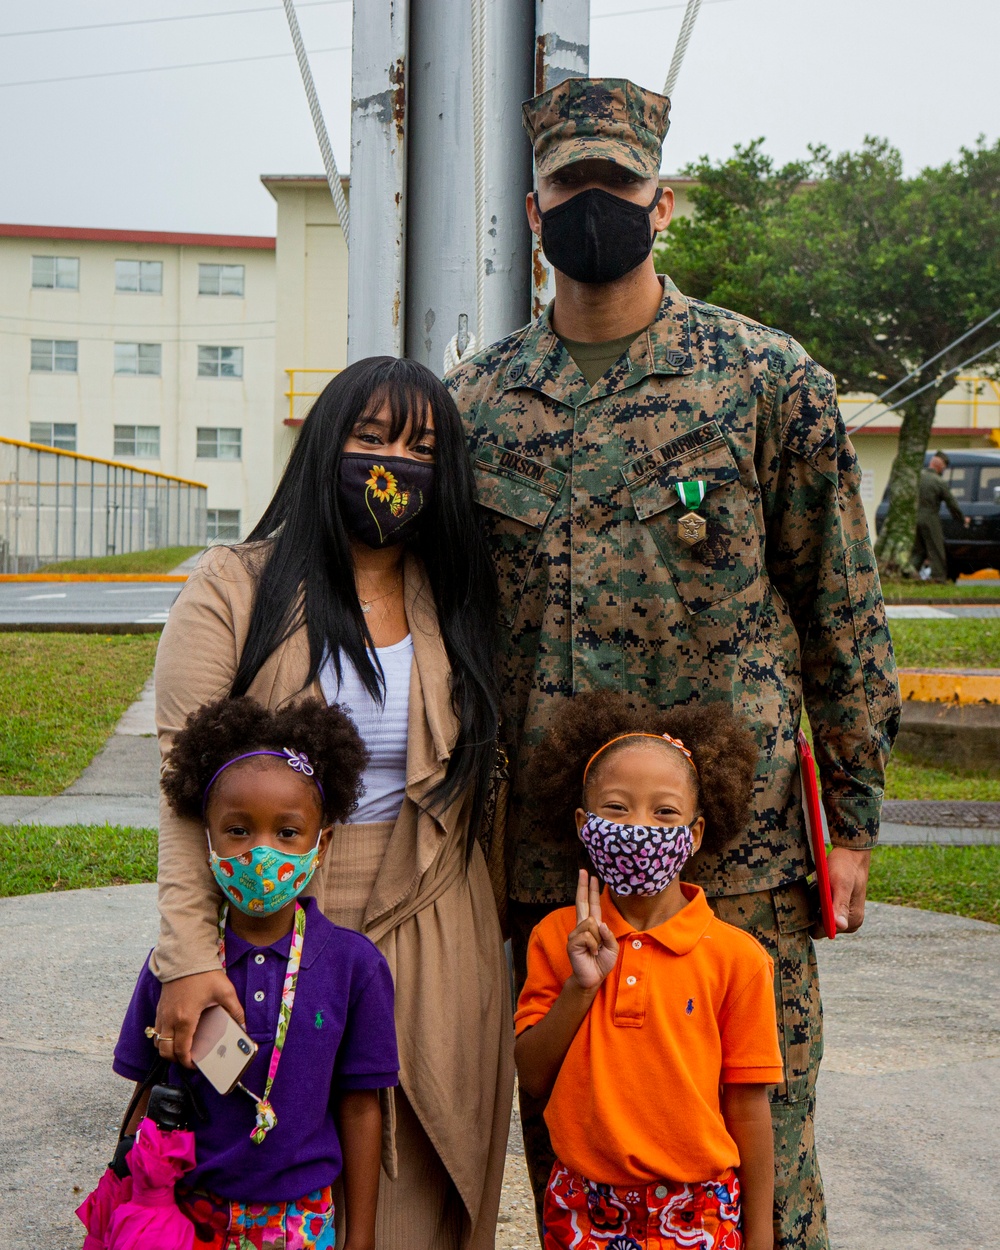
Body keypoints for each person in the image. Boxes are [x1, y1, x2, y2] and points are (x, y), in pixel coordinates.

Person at [447, 77, 901, 1250]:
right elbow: (454, 635)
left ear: (660, 200)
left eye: (618, 183)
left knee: (759, 1143)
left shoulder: (767, 381)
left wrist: (847, 823)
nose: (594, 202)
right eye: (570, 184)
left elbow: (839, 616)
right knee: (580, 1141)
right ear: (532, 207)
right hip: (560, 863)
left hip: (738, 863)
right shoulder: (479, 404)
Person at [148, 357, 514, 1250]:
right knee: (263, 1171)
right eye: (373, 437)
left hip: (440, 918)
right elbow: (184, 795)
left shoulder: (456, 594)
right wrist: (193, 957)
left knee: (424, 1184)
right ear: (324, 446)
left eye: (423, 447)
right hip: (279, 919)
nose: (397, 463)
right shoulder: (234, 587)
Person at [114, 697, 395, 1250]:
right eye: (238, 831)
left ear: (322, 843)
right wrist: (128, 1208)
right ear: (208, 841)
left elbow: (362, 1107)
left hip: (303, 1221)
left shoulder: (355, 967)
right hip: (188, 1214)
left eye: (287, 833)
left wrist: (359, 1239)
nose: (261, 853)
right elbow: (142, 1098)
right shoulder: (175, 969)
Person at [514, 693, 781, 1250]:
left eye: (664, 812)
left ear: (697, 832)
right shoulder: (556, 938)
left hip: (702, 1208)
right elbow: (533, 1077)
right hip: (583, 1205)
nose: (640, 827)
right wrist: (580, 988)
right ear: (585, 826)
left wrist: (759, 1236)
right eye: (617, 808)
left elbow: (749, 1109)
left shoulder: (738, 958)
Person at [911, 451, 969, 581]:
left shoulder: (917, 477)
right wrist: (961, 519)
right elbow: (952, 503)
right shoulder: (938, 482)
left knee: (918, 550)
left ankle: (909, 573)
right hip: (930, 518)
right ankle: (938, 578)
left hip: (914, 518)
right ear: (940, 466)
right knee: (936, 549)